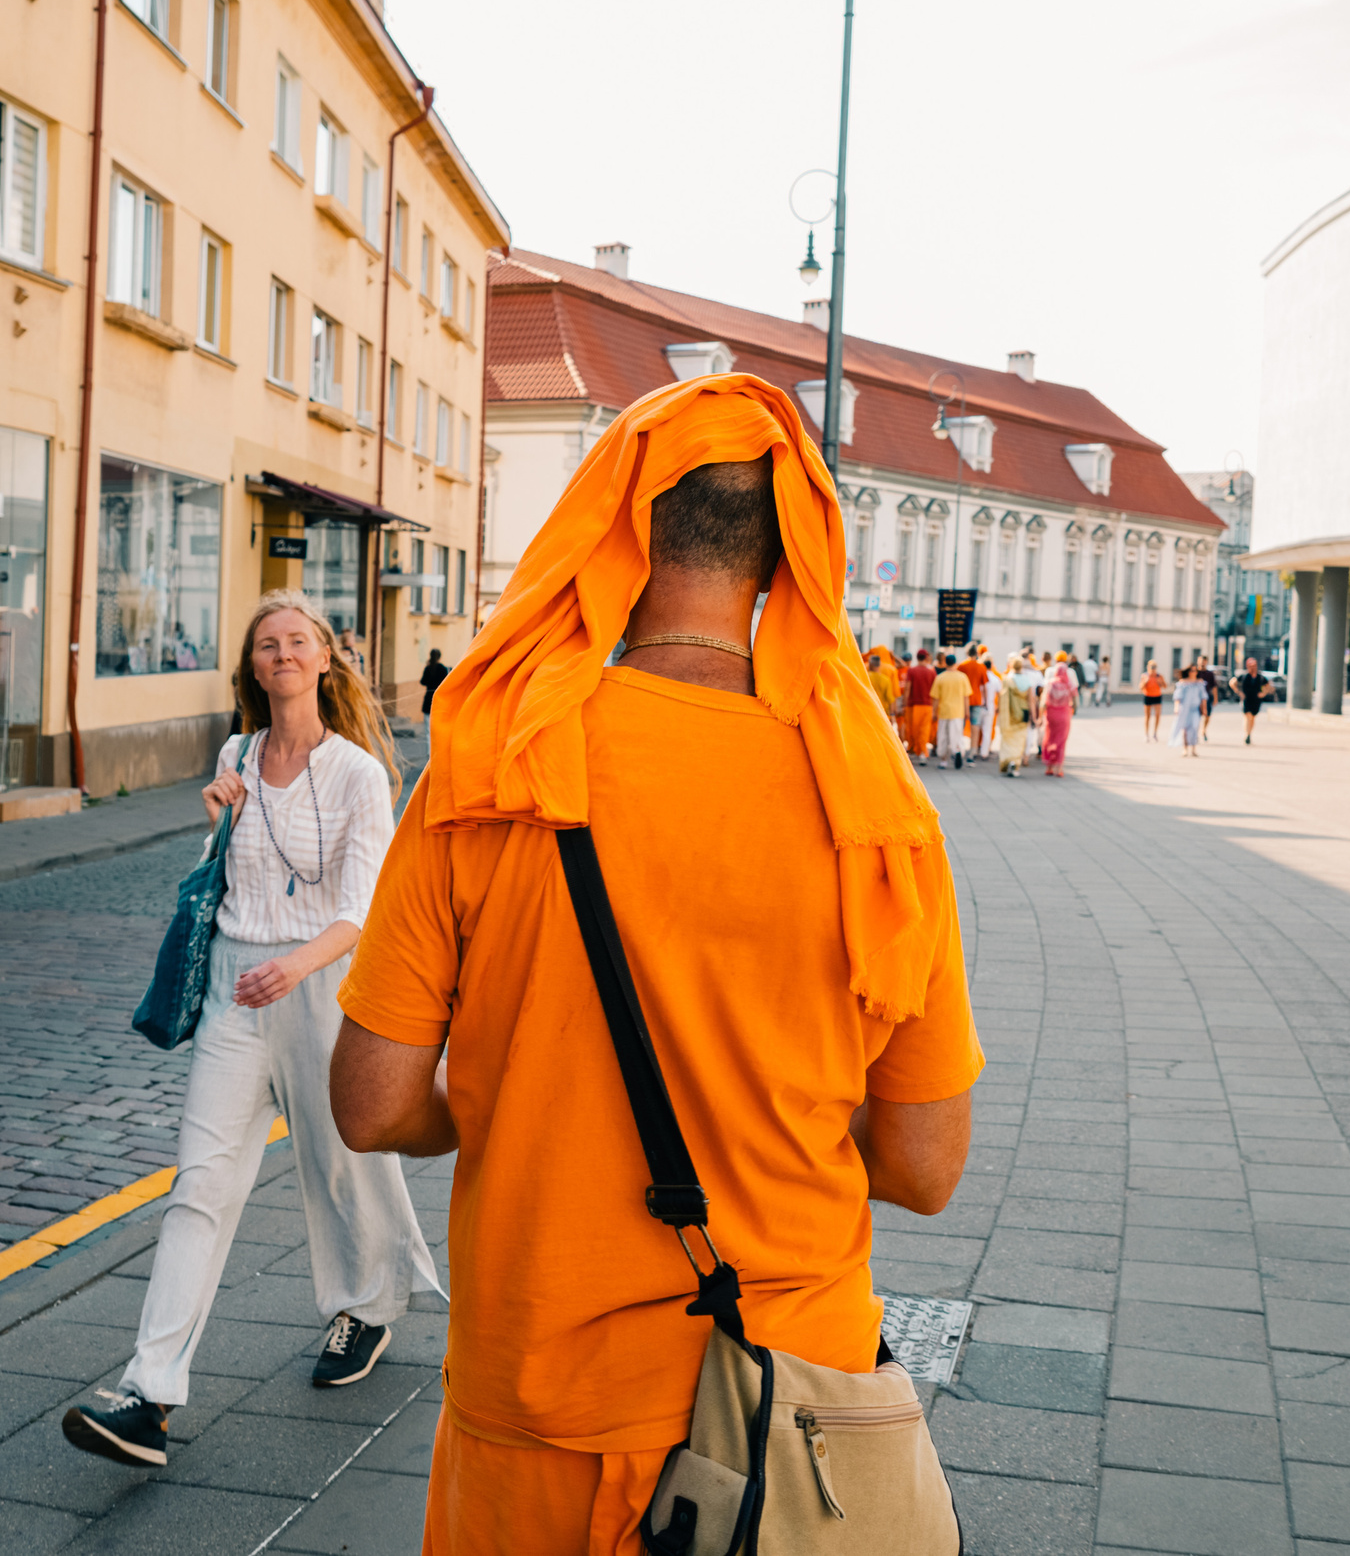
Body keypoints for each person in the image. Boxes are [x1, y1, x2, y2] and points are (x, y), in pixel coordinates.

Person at [327, 374, 981, 1552]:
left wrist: (508, 1098)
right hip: (782, 1408)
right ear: (783, 559)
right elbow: (924, 1166)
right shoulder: (877, 809)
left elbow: (372, 1106)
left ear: (616, 535)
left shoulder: (491, 766)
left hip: (539, 1396)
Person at [64, 591, 441, 1470]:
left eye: (297, 640)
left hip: (324, 988)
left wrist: (297, 967)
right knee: (201, 1182)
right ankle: (149, 1393)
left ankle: (368, 1307)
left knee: (343, 1163)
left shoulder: (358, 774)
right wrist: (216, 823)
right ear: (253, 667)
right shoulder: (234, 754)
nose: (282, 653)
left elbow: (364, 906)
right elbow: (224, 878)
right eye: (267, 644)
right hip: (236, 993)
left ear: (323, 659)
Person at [930, 652, 972, 771]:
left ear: (945, 663)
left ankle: (943, 760)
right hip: (958, 712)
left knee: (943, 736)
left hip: (944, 711)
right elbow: (966, 697)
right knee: (956, 735)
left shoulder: (940, 678)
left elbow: (936, 698)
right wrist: (967, 711)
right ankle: (957, 750)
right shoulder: (962, 677)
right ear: (955, 663)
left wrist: (934, 712)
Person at [996, 653, 1034, 776]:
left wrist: (999, 711)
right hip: (1023, 712)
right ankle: (1015, 762)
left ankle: (1007, 761)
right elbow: (1031, 701)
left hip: (1009, 712)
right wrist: (1034, 717)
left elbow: (1002, 697)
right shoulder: (1027, 680)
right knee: (1019, 739)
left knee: (1008, 738)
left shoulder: (1007, 679)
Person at [1040, 656, 1078, 776]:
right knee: (1061, 741)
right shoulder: (1069, 684)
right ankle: (1059, 768)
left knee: (1050, 738)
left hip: (1051, 714)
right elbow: (1076, 700)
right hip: (1064, 715)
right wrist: (1073, 709)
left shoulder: (1050, 684)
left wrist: (1040, 716)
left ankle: (1049, 767)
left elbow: (1043, 701)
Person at [902, 647, 937, 763]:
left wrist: (904, 703)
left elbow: (908, 688)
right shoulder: (931, 672)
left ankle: (915, 750)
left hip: (913, 704)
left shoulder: (912, 671)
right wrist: (935, 708)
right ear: (926, 658)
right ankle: (922, 752)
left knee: (913, 729)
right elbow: (935, 691)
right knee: (924, 730)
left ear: (917, 658)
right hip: (928, 705)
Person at [957, 648, 991, 761]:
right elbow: (984, 686)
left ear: (967, 653)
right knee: (975, 726)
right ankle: (973, 751)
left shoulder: (962, 666)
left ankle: (959, 749)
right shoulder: (981, 667)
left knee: (960, 726)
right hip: (976, 699)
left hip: (963, 700)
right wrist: (986, 701)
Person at [1233, 656, 1269, 745]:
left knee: (1252, 717)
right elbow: (1232, 683)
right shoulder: (1244, 676)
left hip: (1256, 700)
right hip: (1246, 699)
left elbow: (1268, 686)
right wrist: (1239, 692)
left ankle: (1249, 733)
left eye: (1254, 666)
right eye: (1251, 666)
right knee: (1248, 716)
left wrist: (1263, 693)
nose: (1253, 668)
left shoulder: (1260, 677)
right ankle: (1247, 734)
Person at [1174, 664, 1207, 758]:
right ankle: (1185, 748)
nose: (1194, 672)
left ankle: (1193, 749)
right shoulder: (1183, 683)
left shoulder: (1199, 683)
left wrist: (1204, 709)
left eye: (1195, 670)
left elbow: (1203, 697)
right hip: (1185, 708)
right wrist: (1176, 707)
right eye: (1192, 670)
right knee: (1185, 729)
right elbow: (1178, 697)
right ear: (1188, 672)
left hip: (1195, 709)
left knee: (1195, 727)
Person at [865, 647, 902, 725]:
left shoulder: (864, 670)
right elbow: (893, 696)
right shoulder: (890, 671)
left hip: (867, 711)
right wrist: (893, 714)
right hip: (883, 712)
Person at [420, 648, 450, 739]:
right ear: (439, 657)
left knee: (428, 730)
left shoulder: (428, 668)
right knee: (438, 728)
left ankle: (429, 748)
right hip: (439, 700)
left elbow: (423, 681)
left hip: (429, 699)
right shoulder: (443, 669)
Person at [1140, 659, 1165, 742]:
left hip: (1157, 696)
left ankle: (1155, 733)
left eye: (1154, 667)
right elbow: (1140, 687)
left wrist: (1160, 682)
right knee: (1147, 716)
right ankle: (1146, 734)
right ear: (1148, 667)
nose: (1153, 669)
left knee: (1157, 715)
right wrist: (1145, 682)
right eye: (1152, 667)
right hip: (1148, 696)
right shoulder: (1144, 676)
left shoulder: (1159, 676)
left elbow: (1165, 686)